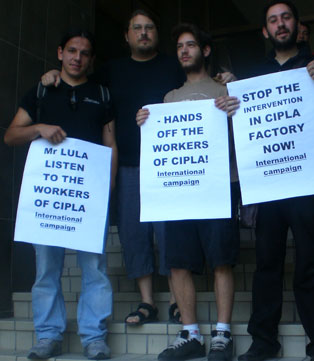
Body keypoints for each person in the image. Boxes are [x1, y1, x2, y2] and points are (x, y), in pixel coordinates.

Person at [41, 10, 235, 326]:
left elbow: (201, 81)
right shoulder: (110, 70)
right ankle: (146, 301)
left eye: (149, 28)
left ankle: (175, 301)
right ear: (127, 36)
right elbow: (79, 81)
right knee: (134, 234)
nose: (143, 33)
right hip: (129, 160)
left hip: (174, 166)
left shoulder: (175, 65)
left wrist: (225, 80)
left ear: (156, 35)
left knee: (169, 233)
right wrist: (51, 75)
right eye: (137, 28)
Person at [234, 1, 314, 361]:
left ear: (296, 24)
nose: (280, 24)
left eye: (285, 17)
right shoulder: (254, 74)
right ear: (265, 31)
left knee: (312, 260)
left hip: (307, 183)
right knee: (266, 263)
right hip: (269, 184)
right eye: (273, 20)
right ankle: (263, 342)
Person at [4, 29, 117, 360]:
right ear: (59, 53)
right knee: (46, 269)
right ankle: (48, 335)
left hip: (88, 197)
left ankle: (94, 337)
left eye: (83, 53)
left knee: (94, 268)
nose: (77, 58)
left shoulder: (102, 94)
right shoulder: (42, 91)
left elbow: (111, 146)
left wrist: (108, 188)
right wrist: (38, 128)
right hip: (49, 196)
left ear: (91, 59)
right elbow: (11, 135)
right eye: (71, 51)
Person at [137, 23, 240, 361]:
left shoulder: (227, 88)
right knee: (178, 263)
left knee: (221, 259)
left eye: (191, 44)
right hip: (178, 193)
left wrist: (237, 104)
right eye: (179, 46)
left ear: (205, 51)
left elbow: (247, 134)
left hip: (219, 188)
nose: (184, 50)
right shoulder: (168, 99)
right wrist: (146, 122)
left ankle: (223, 333)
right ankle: (191, 333)